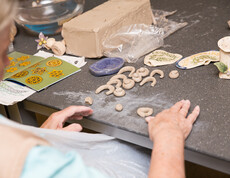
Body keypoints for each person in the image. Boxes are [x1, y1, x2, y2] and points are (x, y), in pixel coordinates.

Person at [0, 0, 200, 178]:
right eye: (2, 53)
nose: (8, 62)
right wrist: (169, 138)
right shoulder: (22, 157)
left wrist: (40, 138)